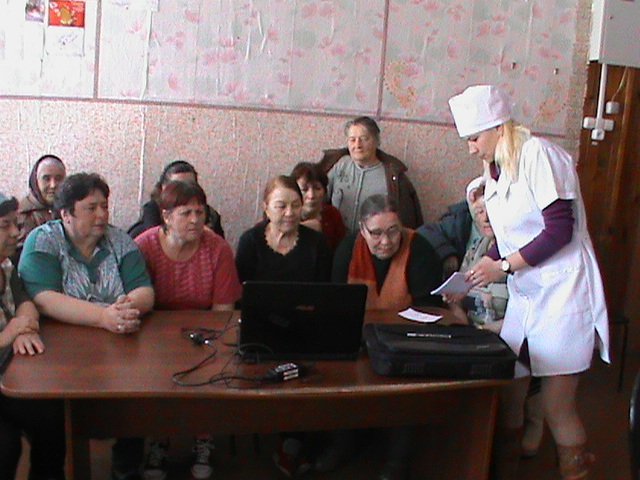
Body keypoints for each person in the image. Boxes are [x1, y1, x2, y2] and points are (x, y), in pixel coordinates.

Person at [448, 84, 609, 479]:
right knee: (509, 389)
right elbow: (510, 236)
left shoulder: (539, 155)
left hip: (563, 292)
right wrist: (480, 267)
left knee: (557, 406)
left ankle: (576, 468)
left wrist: (502, 267)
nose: (470, 148)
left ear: (497, 128)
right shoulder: (494, 171)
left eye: (474, 138)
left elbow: (559, 231)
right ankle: (503, 467)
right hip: (528, 295)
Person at [18, 172, 155, 480]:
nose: (102, 214)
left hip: (118, 343)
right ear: (66, 214)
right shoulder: (43, 240)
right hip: (60, 353)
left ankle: (126, 466)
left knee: (138, 393)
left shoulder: (119, 240)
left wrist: (126, 308)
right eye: (91, 208)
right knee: (58, 415)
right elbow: (43, 298)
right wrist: (103, 317)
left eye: (104, 206)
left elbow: (144, 290)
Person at [327, 194, 442, 480]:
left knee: (407, 379)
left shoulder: (420, 248)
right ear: (362, 230)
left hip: (405, 339)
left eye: (393, 231)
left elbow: (429, 309)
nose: (386, 241)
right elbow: (336, 304)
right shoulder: (347, 249)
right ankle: (343, 444)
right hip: (357, 335)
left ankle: (397, 460)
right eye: (376, 233)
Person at [135, 180, 242, 480]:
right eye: (186, 213)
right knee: (154, 375)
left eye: (200, 212)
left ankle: (203, 439)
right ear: (166, 216)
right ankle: (159, 440)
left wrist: (204, 341)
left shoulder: (218, 249)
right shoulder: (144, 246)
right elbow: (135, 299)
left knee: (209, 369)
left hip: (203, 334)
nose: (196, 220)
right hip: (154, 336)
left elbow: (223, 312)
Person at [0, 192, 66, 480]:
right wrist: (10, 333)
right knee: (5, 447)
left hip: (9, 375)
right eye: (4, 226)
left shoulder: (6, 265)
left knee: (51, 416)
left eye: (15, 224)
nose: (16, 232)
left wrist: (23, 325)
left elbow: (24, 299)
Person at [319, 116, 423, 233]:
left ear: (376, 141)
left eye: (364, 139)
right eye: (352, 140)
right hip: (337, 237)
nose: (357, 145)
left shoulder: (392, 176)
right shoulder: (340, 165)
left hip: (373, 240)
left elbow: (407, 222)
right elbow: (320, 197)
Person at [235, 175, 332, 283]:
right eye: (281, 206)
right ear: (266, 208)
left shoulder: (317, 243)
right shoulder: (250, 241)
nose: (289, 213)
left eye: (296, 205)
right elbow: (240, 288)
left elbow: (324, 289)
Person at [128, 160, 225, 239]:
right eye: (177, 185)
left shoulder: (211, 216)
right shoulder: (145, 229)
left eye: (190, 184)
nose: (185, 190)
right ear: (163, 188)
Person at [290, 162, 346, 251]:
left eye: (317, 188)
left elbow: (341, 250)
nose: (311, 195)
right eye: (304, 190)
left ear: (325, 191)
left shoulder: (332, 214)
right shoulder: (286, 215)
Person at [17, 154, 66, 254]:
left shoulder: (70, 210)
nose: (53, 185)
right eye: (46, 179)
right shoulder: (23, 215)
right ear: (36, 181)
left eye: (58, 179)